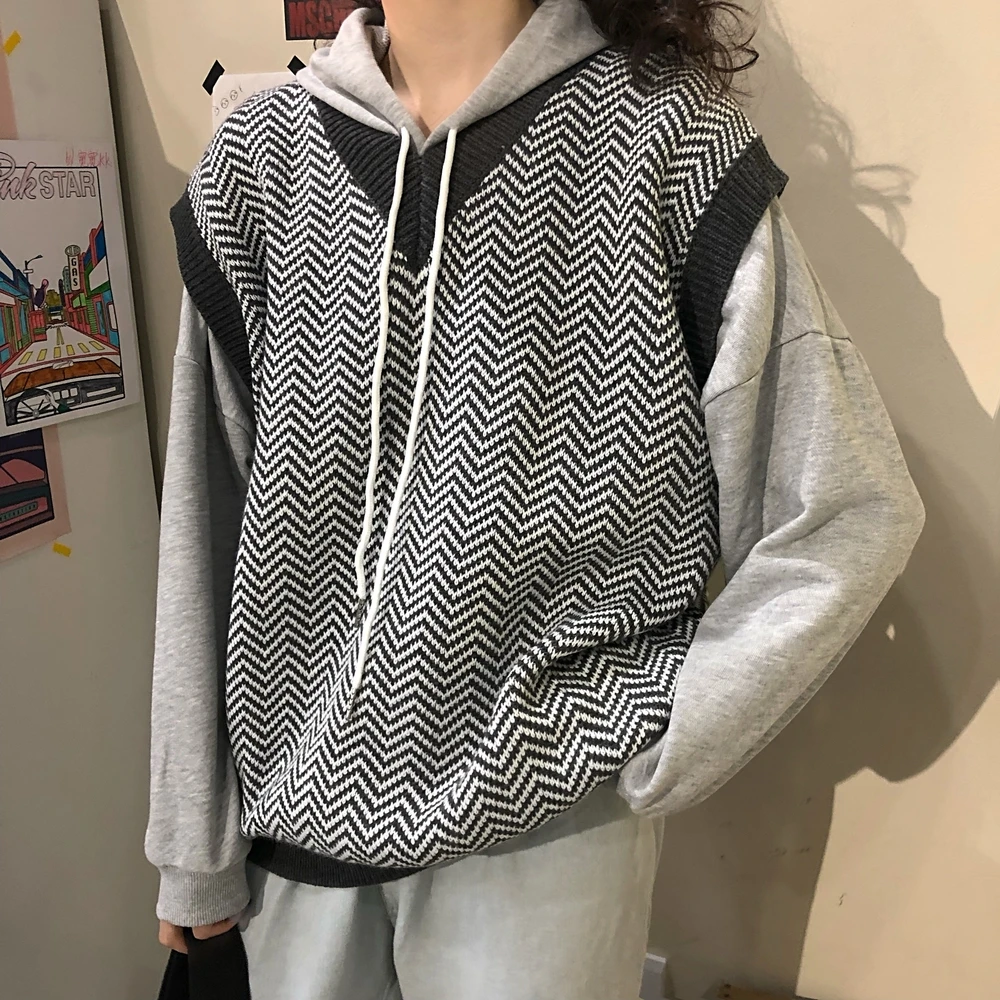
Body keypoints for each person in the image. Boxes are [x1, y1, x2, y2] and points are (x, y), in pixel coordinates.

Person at [147, 0, 925, 996]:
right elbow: (205, 515)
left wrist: (659, 738)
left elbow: (846, 508)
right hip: (289, 837)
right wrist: (192, 841)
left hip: (543, 852)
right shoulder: (259, 160)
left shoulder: (666, 141)